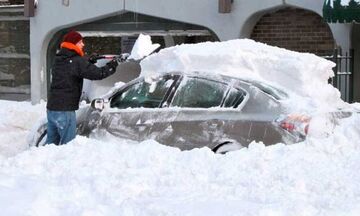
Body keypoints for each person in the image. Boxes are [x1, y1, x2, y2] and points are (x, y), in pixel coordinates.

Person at [46, 30, 119, 145]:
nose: (83, 44)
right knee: (68, 145)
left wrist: (88, 60)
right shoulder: (77, 62)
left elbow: (72, 66)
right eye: (80, 42)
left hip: (52, 108)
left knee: (50, 144)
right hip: (65, 110)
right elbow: (98, 73)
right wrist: (112, 65)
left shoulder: (59, 59)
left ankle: (44, 162)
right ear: (73, 44)